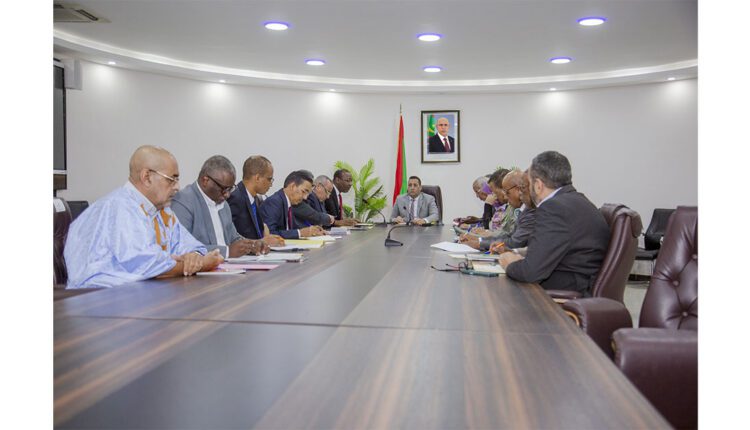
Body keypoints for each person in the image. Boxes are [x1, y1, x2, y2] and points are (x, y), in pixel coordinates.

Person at [64, 145, 223, 289]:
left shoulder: (161, 211)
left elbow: (191, 245)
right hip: (97, 296)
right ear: (146, 177)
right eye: (172, 179)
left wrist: (195, 256)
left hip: (136, 293)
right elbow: (146, 264)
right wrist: (201, 264)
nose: (177, 187)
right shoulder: (121, 207)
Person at [498, 151, 610, 295]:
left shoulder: (553, 208)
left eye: (528, 185)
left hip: (565, 293)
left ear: (538, 185)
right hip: (578, 284)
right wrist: (521, 255)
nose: (523, 192)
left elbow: (530, 272)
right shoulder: (577, 201)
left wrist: (510, 263)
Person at [171, 155, 269, 258]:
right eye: (224, 189)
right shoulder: (183, 201)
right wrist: (227, 251)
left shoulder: (223, 204)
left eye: (230, 189)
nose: (227, 195)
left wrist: (252, 245)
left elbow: (233, 238)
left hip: (229, 265)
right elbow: (180, 247)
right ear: (205, 181)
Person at [459, 169, 537, 251]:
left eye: (507, 192)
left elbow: (515, 242)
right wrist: (479, 240)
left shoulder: (531, 210)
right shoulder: (524, 209)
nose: (505, 197)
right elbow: (509, 236)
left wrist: (479, 243)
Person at [227, 155, 285, 246]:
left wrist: (267, 237)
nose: (271, 184)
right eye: (269, 179)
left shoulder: (255, 199)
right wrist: (261, 242)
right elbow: (232, 238)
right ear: (257, 178)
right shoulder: (236, 199)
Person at [259, 170, 326, 239]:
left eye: (308, 194)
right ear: (292, 186)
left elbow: (291, 228)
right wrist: (300, 233)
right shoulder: (274, 202)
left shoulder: (288, 202)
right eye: (303, 192)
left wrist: (312, 231)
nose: (305, 197)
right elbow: (270, 233)